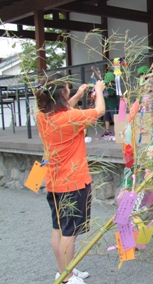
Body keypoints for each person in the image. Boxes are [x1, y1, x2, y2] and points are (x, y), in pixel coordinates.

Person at [35, 75, 106, 284]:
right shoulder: (69, 118)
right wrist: (99, 90)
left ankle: (64, 272)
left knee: (58, 228)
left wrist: (77, 95)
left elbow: (62, 110)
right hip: (73, 182)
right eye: (68, 89)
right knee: (70, 233)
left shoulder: (43, 116)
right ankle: (67, 278)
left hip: (55, 183)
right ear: (61, 95)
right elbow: (99, 111)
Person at [103, 72, 118, 136]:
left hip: (113, 105)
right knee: (106, 118)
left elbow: (108, 94)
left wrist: (103, 93)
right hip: (106, 105)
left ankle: (116, 131)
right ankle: (107, 130)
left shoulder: (113, 86)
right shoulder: (105, 86)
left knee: (114, 118)